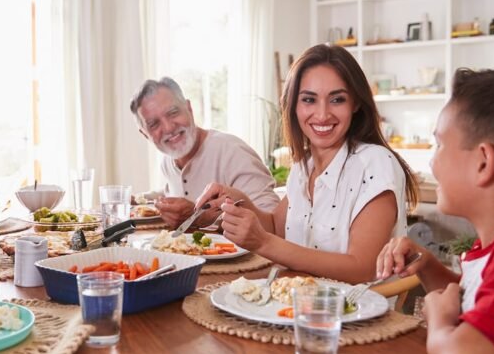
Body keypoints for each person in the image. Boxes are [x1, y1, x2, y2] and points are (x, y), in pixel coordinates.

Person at [377, 68, 494, 354]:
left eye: (439, 144)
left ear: (483, 163)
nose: (431, 162)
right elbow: (481, 300)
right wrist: (428, 267)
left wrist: (439, 322)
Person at [197, 44, 418, 284]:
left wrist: (263, 243)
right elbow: (276, 228)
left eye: (337, 99)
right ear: (293, 105)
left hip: (353, 313)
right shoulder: (305, 167)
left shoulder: (375, 164)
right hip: (298, 303)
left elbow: (362, 267)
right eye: (309, 100)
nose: (322, 114)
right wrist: (237, 200)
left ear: (355, 103)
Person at [130, 77, 280, 230]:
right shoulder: (168, 161)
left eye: (173, 112)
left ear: (189, 108)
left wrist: (203, 218)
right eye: (154, 124)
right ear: (144, 134)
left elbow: (274, 226)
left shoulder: (233, 151)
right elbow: (171, 190)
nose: (168, 128)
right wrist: (140, 199)